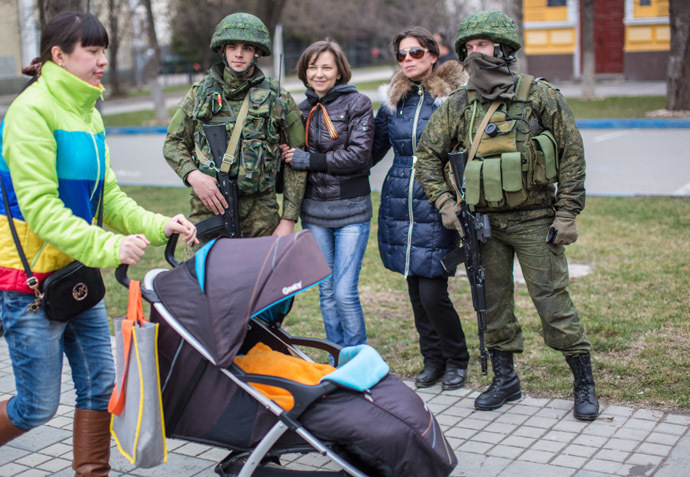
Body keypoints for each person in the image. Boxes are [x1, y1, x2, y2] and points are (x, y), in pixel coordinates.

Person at [0, 11, 197, 474]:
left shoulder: (87, 114)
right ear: (59, 56)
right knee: (37, 407)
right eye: (92, 50)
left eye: (104, 50)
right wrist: (108, 249)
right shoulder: (30, 113)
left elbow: (107, 196)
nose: (102, 60)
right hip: (28, 284)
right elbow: (41, 208)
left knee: (100, 387)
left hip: (76, 276)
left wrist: (157, 225)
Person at [415, 11, 599, 420]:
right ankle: (505, 379)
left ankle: (583, 381)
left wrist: (567, 213)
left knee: (552, 303)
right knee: (493, 305)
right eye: (467, 48)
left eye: (481, 45)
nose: (473, 53)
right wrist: (447, 206)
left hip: (536, 220)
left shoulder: (539, 96)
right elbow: (427, 156)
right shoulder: (460, 105)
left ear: (503, 49)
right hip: (484, 226)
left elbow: (572, 154)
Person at [372, 27, 470, 390]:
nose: (408, 60)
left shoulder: (453, 98)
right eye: (402, 55)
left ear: (433, 54)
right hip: (400, 201)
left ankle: (457, 359)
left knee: (433, 291)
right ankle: (433, 360)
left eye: (415, 53)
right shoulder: (394, 101)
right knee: (416, 290)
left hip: (437, 202)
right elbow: (372, 149)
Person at [164, 13, 306, 247]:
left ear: (257, 52)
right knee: (201, 281)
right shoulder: (199, 94)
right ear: (223, 50)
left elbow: (296, 158)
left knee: (259, 283)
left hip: (261, 217)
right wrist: (193, 175)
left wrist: (289, 218)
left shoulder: (277, 98)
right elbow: (173, 142)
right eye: (232, 46)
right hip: (209, 210)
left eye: (247, 48)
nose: (239, 54)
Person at [280, 40, 374, 347]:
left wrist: (309, 159)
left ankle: (357, 357)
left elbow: (359, 156)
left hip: (351, 211)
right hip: (315, 213)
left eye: (326, 67)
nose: (319, 74)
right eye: (312, 67)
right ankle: (337, 356)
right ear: (304, 72)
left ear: (339, 72)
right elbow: (291, 158)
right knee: (326, 291)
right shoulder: (300, 110)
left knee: (344, 292)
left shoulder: (357, 104)